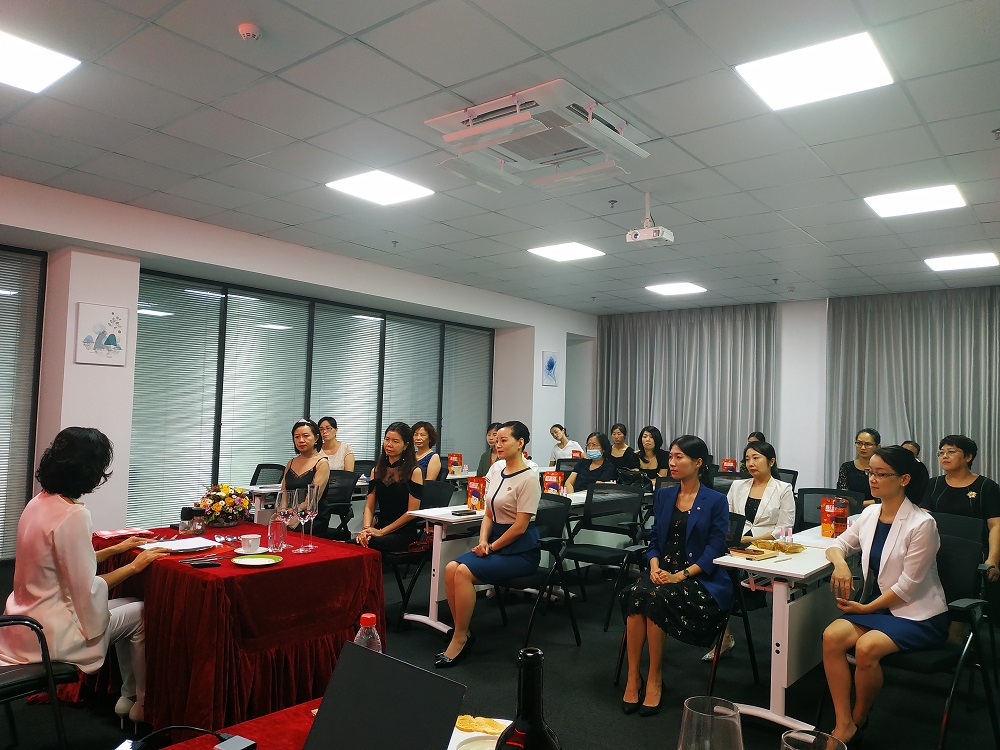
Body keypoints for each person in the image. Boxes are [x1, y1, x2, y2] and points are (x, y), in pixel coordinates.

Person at [0, 427, 169, 728]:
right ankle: (140, 703)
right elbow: (86, 587)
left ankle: (127, 698)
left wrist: (117, 548)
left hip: (22, 627)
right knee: (142, 612)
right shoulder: (74, 515)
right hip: (53, 636)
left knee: (128, 603)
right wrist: (135, 566)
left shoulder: (38, 502)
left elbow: (63, 563)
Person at [823, 445, 948, 745]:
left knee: (866, 648)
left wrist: (866, 609)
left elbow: (907, 587)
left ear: (904, 479)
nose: (872, 479)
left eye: (881, 474)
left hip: (918, 614)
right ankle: (843, 722)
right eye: (870, 472)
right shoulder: (870, 513)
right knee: (831, 636)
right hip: (880, 608)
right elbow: (838, 545)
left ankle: (858, 718)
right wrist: (841, 564)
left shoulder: (922, 524)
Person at [621, 435, 731, 716]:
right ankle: (633, 676)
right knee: (636, 594)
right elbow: (654, 538)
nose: (671, 462)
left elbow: (715, 548)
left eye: (679, 457)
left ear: (698, 462)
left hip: (699, 578)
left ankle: (655, 678)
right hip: (662, 571)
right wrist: (654, 567)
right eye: (670, 456)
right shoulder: (665, 495)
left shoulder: (716, 500)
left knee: (655, 598)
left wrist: (679, 576)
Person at [437, 421, 541, 668]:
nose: (498, 444)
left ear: (520, 443)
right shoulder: (496, 471)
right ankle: (462, 630)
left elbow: (520, 527)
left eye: (504, 440)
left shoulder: (529, 478)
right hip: (496, 543)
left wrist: (492, 547)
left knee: (463, 572)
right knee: (451, 568)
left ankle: (459, 638)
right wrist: (483, 541)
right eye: (497, 440)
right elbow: (488, 514)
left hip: (521, 552)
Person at [706, 440, 794, 660]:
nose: (751, 463)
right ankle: (724, 636)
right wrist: (734, 537)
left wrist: (751, 539)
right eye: (747, 459)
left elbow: (784, 528)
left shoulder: (783, 489)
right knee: (712, 572)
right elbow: (725, 518)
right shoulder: (738, 486)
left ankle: (781, 643)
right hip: (736, 543)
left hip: (766, 546)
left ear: (771, 461)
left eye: (756, 458)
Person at [921, 435, 1000, 583]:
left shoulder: (986, 486)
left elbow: (995, 525)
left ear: (968, 457)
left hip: (974, 554)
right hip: (937, 551)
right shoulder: (933, 484)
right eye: (941, 452)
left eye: (951, 452)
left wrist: (993, 559)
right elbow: (924, 516)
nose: (944, 456)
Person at [357, 422, 424, 552]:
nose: (389, 444)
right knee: (350, 545)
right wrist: (366, 530)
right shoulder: (376, 471)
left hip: (403, 533)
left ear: (406, 445)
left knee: (364, 546)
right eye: (387, 439)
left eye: (395, 441)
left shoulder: (414, 471)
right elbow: (369, 506)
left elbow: (412, 512)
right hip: (380, 528)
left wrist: (382, 532)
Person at [281, 419, 330, 508]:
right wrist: (282, 511)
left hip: (312, 514)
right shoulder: (290, 463)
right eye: (297, 437)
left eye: (306, 436)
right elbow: (284, 494)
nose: (301, 440)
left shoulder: (322, 463)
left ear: (316, 438)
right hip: (290, 513)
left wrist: (293, 514)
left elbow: (311, 499)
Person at [838, 428, 881, 506]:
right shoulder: (846, 467)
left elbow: (887, 496)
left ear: (878, 447)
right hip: (852, 510)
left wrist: (860, 504)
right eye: (859, 443)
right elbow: (843, 495)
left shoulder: (883, 468)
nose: (863, 447)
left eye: (868, 444)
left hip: (878, 509)